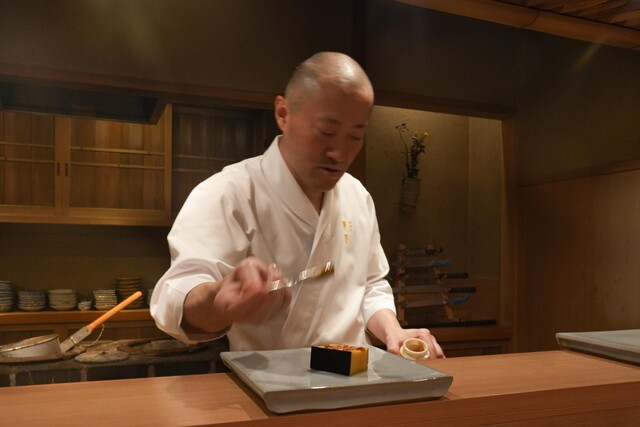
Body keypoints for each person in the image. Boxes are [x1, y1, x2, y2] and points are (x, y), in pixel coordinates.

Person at [151, 51, 444, 358]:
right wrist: (218, 299)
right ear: (283, 113)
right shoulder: (229, 192)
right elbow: (176, 296)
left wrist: (393, 331)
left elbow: (371, 285)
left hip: (355, 373)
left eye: (355, 137)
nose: (339, 153)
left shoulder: (357, 195)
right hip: (268, 381)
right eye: (326, 132)